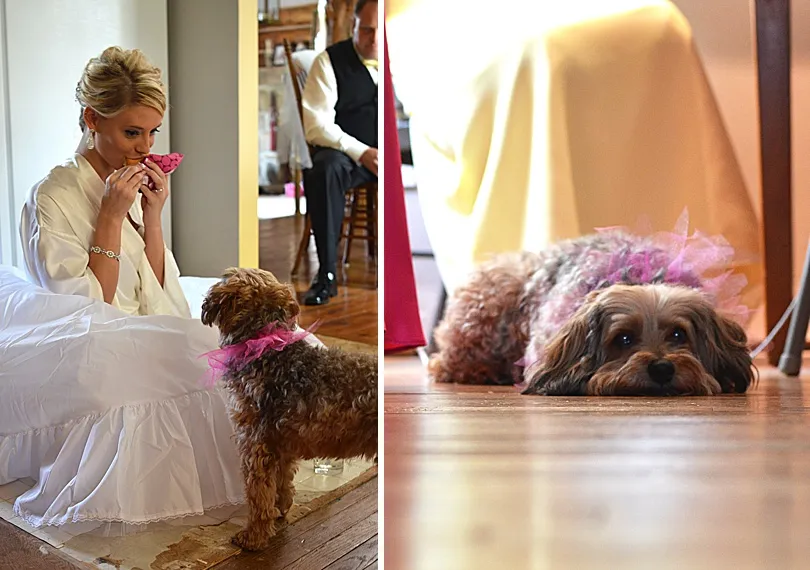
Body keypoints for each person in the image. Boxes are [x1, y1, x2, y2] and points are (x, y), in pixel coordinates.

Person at [4, 46, 246, 534]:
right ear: (92, 118)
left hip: (135, 320)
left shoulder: (127, 179)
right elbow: (85, 311)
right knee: (196, 349)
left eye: (153, 131)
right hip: (77, 336)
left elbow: (161, 292)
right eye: (131, 132)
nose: (145, 146)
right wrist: (111, 218)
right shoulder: (52, 196)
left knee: (241, 330)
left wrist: (153, 217)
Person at [300, 0, 378, 305]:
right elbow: (316, 125)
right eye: (367, 30)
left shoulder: (399, 59)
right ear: (353, 26)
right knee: (324, 168)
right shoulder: (329, 62)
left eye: (378, 31)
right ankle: (326, 276)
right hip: (348, 155)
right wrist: (362, 152)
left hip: (392, 155)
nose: (373, 39)